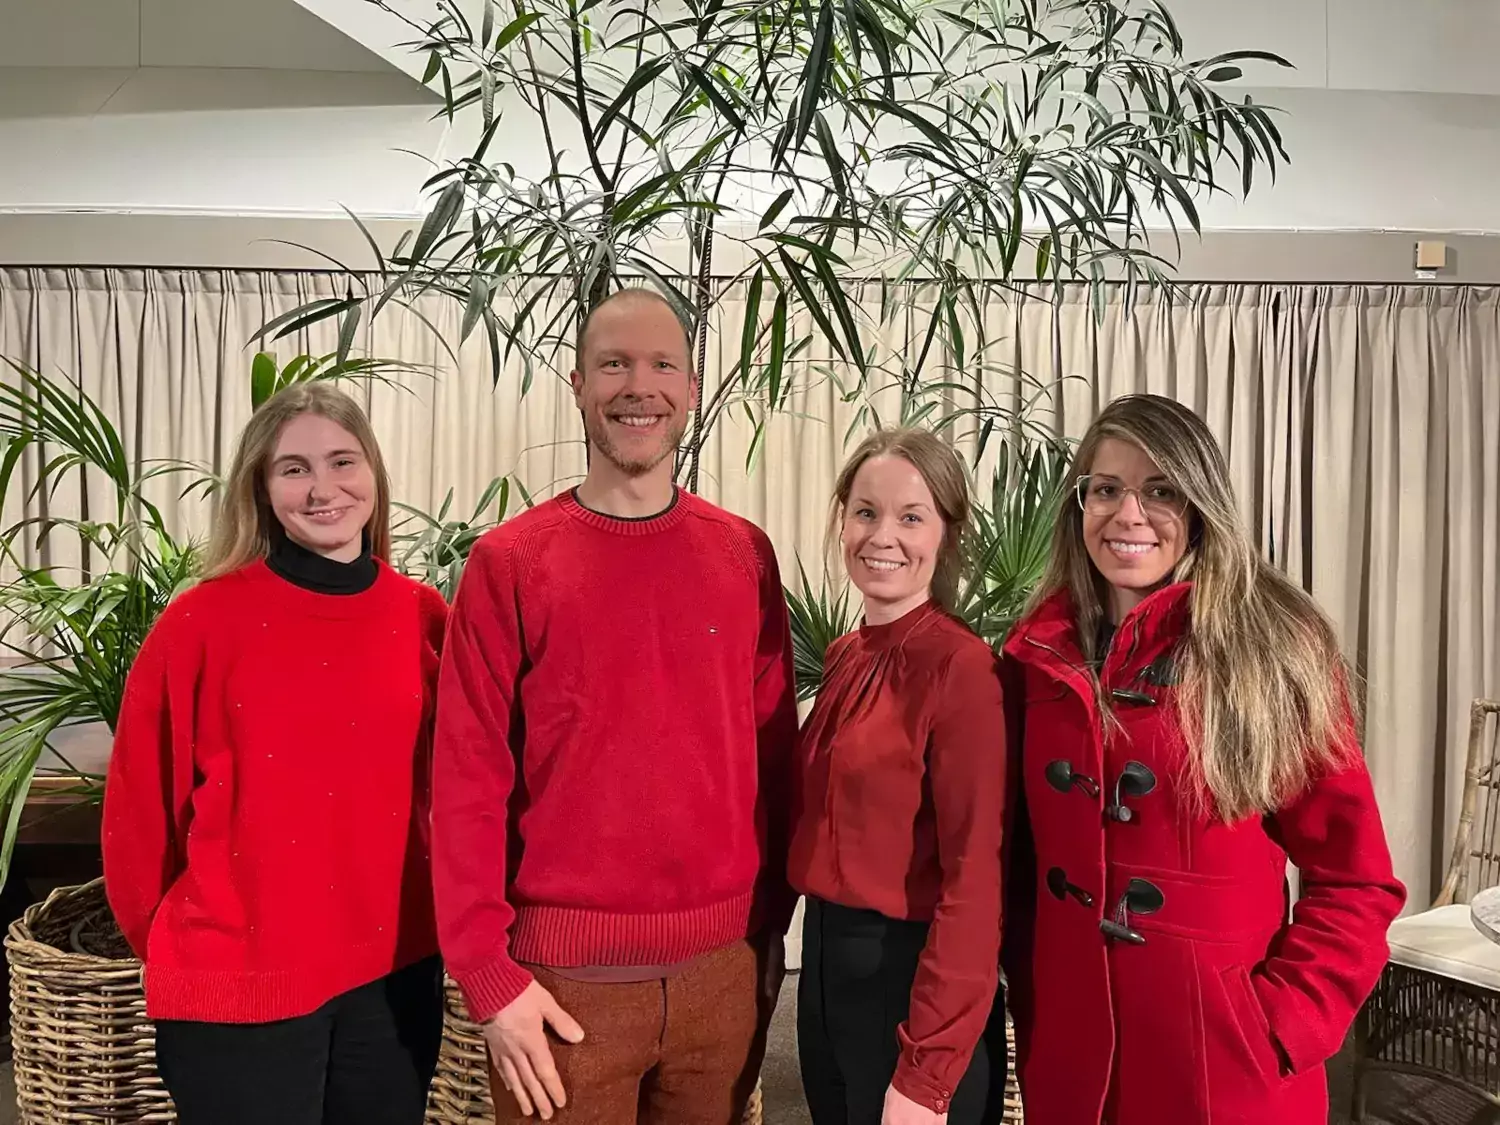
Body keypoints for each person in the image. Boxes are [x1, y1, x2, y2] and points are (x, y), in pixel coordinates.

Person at [430, 286, 799, 1125]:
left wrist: (767, 932)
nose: (641, 385)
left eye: (662, 363)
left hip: (722, 976)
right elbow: (464, 782)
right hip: (562, 989)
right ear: (578, 385)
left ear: (693, 385)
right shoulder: (510, 562)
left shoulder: (744, 554)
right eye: (615, 364)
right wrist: (489, 979)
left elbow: (774, 756)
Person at [1000, 393, 1406, 1125]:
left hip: (1226, 1067)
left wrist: (1278, 1023)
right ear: (1079, 504)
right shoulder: (1032, 655)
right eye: (1106, 488)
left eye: (1160, 490)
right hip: (1068, 1054)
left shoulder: (1272, 645)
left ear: (1197, 504)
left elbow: (1356, 879)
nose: (1129, 514)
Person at [101, 383, 451, 1125]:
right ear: (260, 487)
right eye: (293, 468)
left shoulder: (422, 616)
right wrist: (182, 948)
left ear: (374, 474)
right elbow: (140, 809)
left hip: (394, 972)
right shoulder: (201, 621)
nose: (323, 488)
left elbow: (455, 789)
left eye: (342, 461)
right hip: (237, 981)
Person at [788, 427, 1009, 1125]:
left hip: (909, 982)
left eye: (911, 516)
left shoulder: (961, 668)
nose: (883, 535)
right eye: (865, 511)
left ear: (947, 533)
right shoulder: (847, 652)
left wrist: (928, 1068)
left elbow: (976, 879)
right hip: (826, 971)